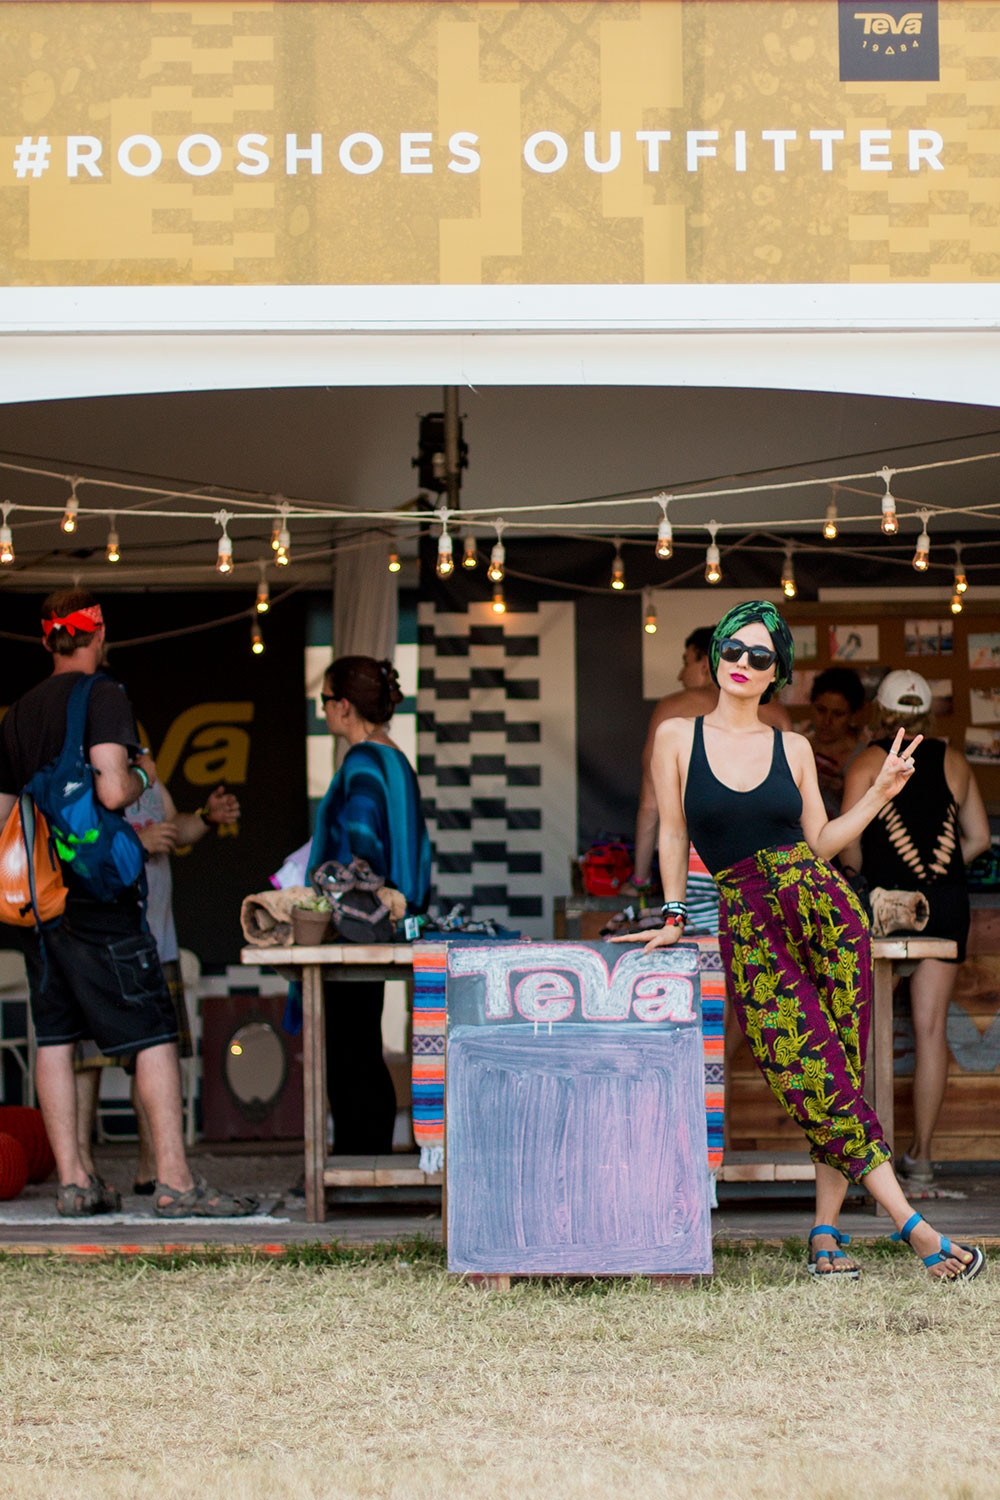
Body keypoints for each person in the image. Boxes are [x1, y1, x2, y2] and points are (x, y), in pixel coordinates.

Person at [618, 601, 984, 1282]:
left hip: (824, 910)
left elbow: (819, 843)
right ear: (716, 655)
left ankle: (825, 1231)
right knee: (809, 1072)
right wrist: (673, 912)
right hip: (748, 919)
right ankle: (918, 1230)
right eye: (733, 649)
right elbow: (673, 831)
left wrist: (876, 796)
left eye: (760, 657)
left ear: (776, 673)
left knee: (841, 1072)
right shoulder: (676, 735)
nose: (742, 664)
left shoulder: (789, 747)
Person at [0, 589, 255, 1219]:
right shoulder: (103, 694)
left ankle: (75, 1182)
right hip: (99, 894)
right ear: (98, 633)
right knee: (151, 1032)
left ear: (45, 640)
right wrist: (141, 774)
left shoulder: (19, 713)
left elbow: (3, 818)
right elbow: (113, 789)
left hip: (39, 900)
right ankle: (174, 1181)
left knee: (55, 1036)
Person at [841, 669, 990, 1186]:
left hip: (883, 906)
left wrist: (891, 876)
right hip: (945, 906)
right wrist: (937, 876)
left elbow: (848, 846)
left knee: (870, 1034)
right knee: (929, 1033)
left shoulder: (864, 762)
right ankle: (921, 1159)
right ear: (927, 713)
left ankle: (867, 1160)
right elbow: (978, 839)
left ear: (879, 712)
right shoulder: (954, 761)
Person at [74, 777, 241, 1195]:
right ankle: (82, 1170)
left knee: (157, 1051)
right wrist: (139, 843)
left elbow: (174, 827)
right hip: (102, 946)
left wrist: (204, 817)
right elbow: (78, 855)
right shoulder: (80, 786)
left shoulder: (148, 782)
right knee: (88, 1061)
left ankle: (151, 1168)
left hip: (157, 944)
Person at [309, 655, 430, 1153]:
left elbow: (362, 841)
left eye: (324, 701)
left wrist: (342, 887)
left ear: (343, 707)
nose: (323, 711)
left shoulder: (362, 760)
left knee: (348, 1045)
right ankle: (366, 1151)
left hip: (358, 923)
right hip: (391, 921)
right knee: (362, 1039)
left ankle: (357, 1157)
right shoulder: (394, 756)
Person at [629, 625, 792, 893]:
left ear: (707, 662)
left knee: (700, 935)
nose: (681, 675)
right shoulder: (777, 715)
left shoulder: (671, 710)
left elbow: (650, 805)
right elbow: (792, 813)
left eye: (686, 662)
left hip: (697, 867)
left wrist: (640, 879)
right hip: (767, 871)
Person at [805, 666, 867, 821]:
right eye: (821, 710)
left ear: (853, 715)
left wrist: (847, 790)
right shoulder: (796, 749)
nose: (827, 721)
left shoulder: (864, 758)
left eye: (838, 714)